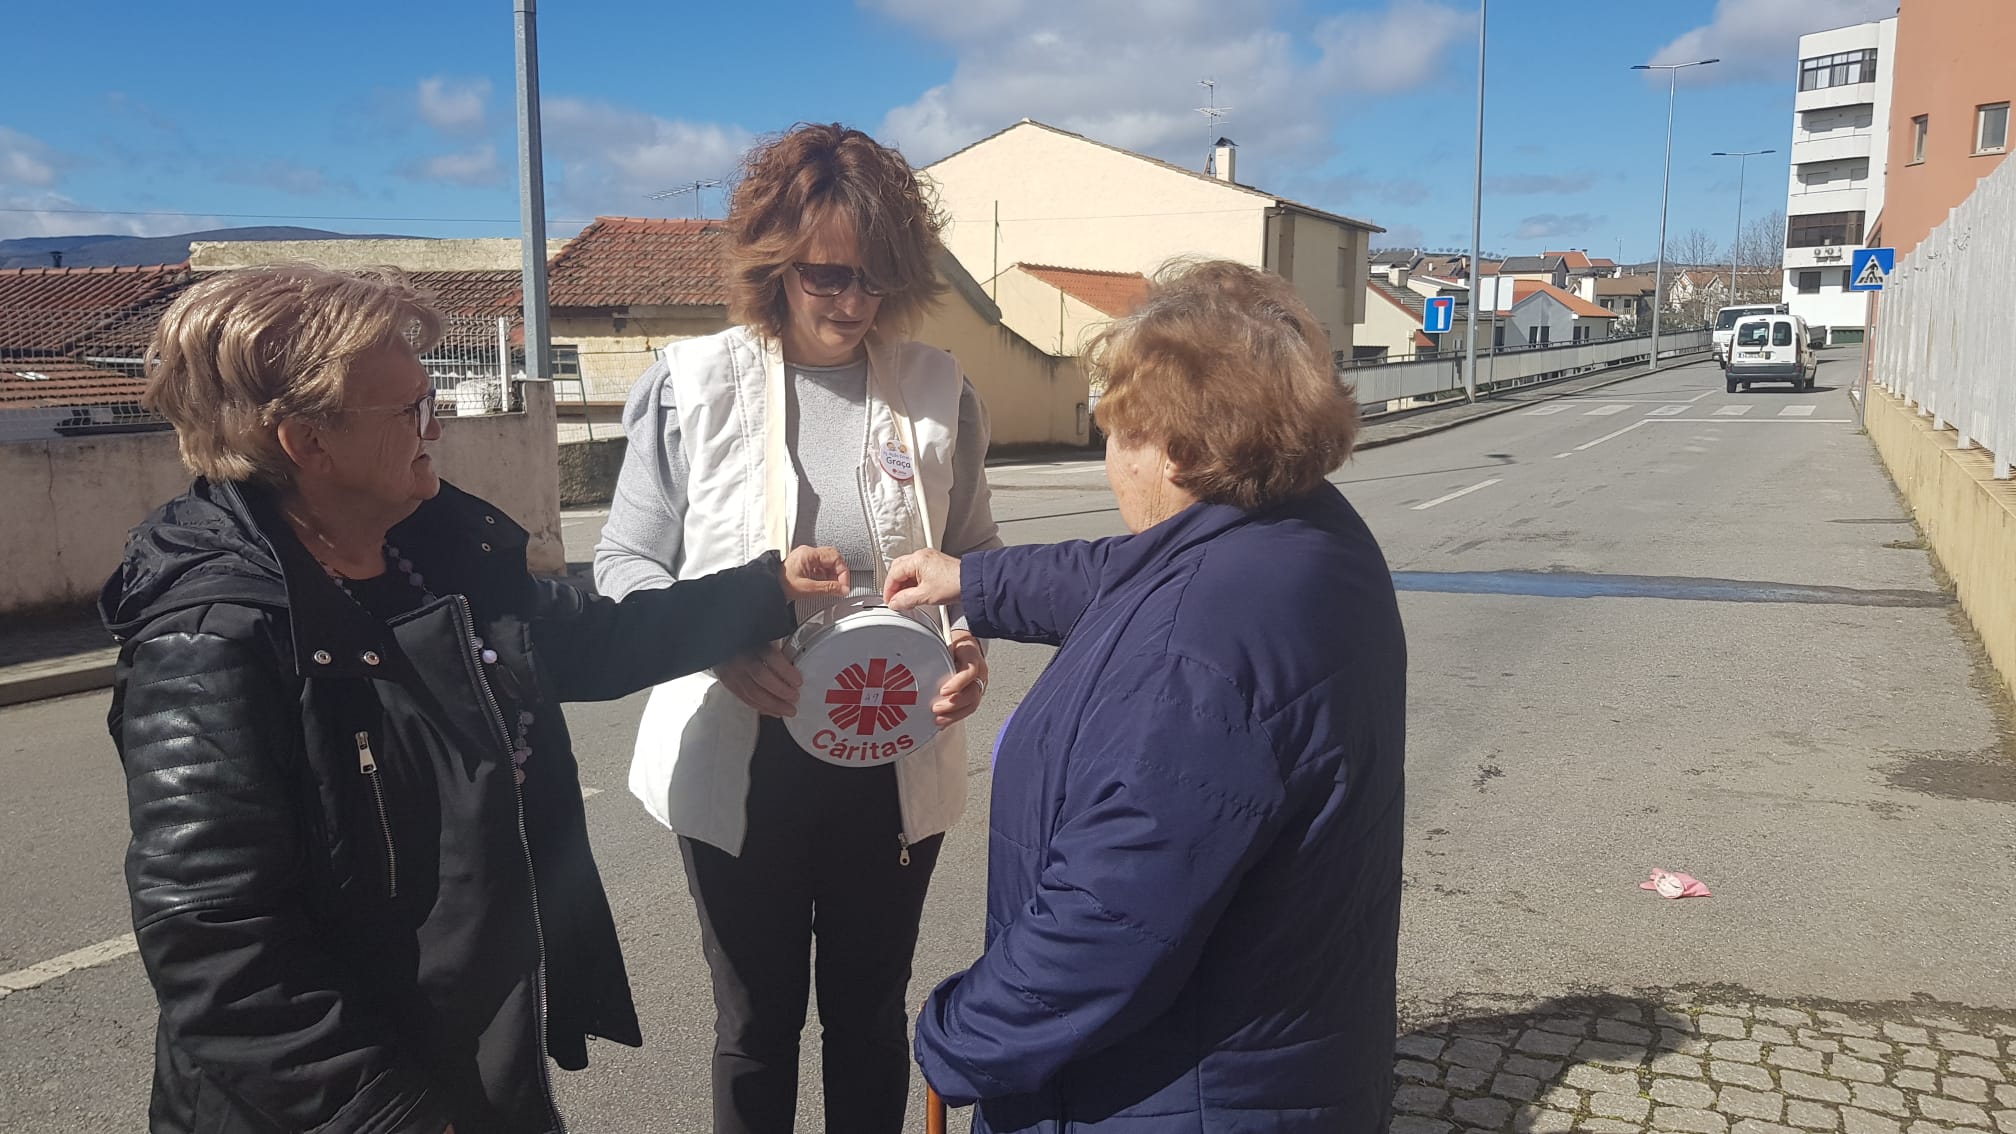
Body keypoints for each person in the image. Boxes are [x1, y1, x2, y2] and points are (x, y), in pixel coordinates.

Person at [100, 263, 851, 1134]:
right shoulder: (209, 641)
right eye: (411, 409)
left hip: (474, 1065)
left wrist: (765, 591)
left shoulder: (433, 555)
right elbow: (218, 955)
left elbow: (597, 640)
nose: (438, 425)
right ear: (307, 441)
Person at [888, 260, 1408, 1132]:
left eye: (1119, 431)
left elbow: (1106, 923)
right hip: (1280, 1056)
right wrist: (970, 580)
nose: (1110, 459)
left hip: (1172, 1097)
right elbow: (1116, 573)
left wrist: (957, 1036)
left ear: (1180, 451)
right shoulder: (1299, 534)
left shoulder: (1196, 658)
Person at [593, 122, 1001, 1134]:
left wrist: (966, 642)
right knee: (756, 1024)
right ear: (774, 263)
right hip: (743, 759)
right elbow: (623, 565)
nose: (854, 303)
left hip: (891, 747)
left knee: (868, 1016)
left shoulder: (940, 390)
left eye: (877, 278)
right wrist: (719, 643)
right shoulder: (690, 386)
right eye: (827, 275)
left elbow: (972, 557)